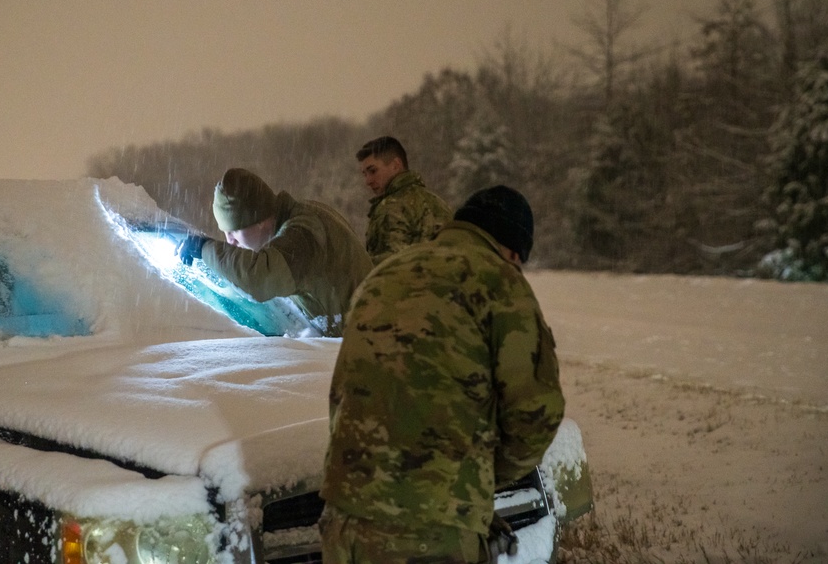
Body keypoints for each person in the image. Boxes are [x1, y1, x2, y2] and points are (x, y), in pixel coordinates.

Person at [319, 185, 565, 564]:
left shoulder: (382, 277)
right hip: (428, 531)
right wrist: (476, 477)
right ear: (513, 252)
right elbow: (536, 413)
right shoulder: (500, 283)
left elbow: (346, 395)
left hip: (344, 522)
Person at [177, 168, 372, 336]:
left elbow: (259, 277)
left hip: (373, 343)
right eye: (225, 232)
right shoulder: (303, 215)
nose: (230, 240)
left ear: (260, 220)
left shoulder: (301, 236)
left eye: (235, 230)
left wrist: (204, 248)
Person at [355, 136, 452, 265]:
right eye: (365, 174)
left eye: (373, 171)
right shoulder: (439, 203)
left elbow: (388, 268)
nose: (368, 181)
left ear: (396, 165)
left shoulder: (391, 208)